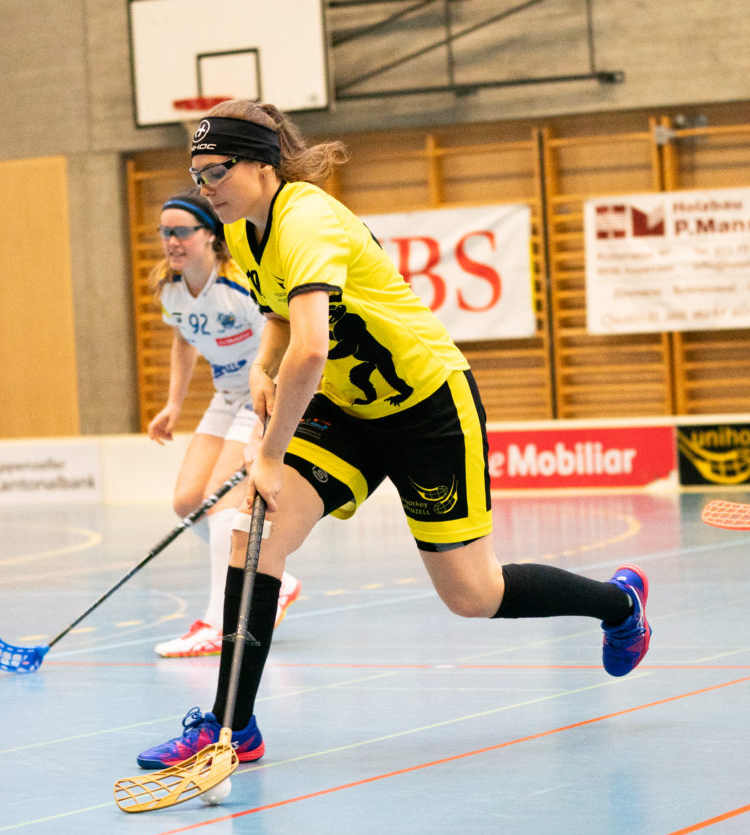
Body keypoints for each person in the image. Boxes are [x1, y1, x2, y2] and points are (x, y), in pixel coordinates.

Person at [135, 101, 651, 768]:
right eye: (196, 175)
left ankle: (619, 602)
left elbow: (314, 349)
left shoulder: (305, 217)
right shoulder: (250, 232)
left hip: (426, 407)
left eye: (215, 172)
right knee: (250, 529)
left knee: (473, 594)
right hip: (348, 412)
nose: (205, 189)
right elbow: (283, 323)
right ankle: (231, 725)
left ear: (261, 163)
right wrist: (262, 364)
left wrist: (266, 452)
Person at [146, 190, 300, 658]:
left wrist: (264, 430)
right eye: (165, 232)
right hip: (225, 395)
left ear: (210, 236)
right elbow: (183, 342)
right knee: (188, 501)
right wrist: (173, 404)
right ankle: (278, 582)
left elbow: (282, 344)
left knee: (221, 506)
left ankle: (220, 621)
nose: (172, 241)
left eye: (182, 231)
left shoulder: (238, 288)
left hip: (262, 393)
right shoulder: (171, 289)